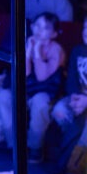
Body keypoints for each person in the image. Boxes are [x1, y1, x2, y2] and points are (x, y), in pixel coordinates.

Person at [25, 11, 66, 163]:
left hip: (47, 91)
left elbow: (42, 76)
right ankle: (13, 145)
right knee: (4, 96)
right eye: (37, 25)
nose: (39, 30)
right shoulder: (28, 43)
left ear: (54, 34)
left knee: (40, 102)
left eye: (46, 27)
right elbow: (24, 73)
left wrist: (37, 51)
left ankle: (34, 147)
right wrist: (28, 51)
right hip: (28, 88)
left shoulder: (56, 49)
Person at [51, 16, 87, 174]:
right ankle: (63, 162)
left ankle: (74, 166)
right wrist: (74, 97)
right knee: (60, 111)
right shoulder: (78, 50)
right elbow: (71, 78)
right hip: (78, 99)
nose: (86, 32)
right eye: (85, 27)